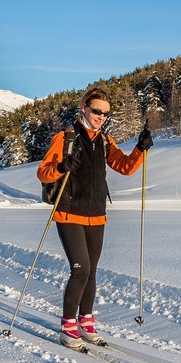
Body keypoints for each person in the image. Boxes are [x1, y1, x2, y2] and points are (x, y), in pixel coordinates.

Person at [36, 87, 153, 349]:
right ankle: (68, 326)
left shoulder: (104, 141)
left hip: (96, 215)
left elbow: (124, 167)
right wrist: (61, 167)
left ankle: (86, 322)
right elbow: (43, 173)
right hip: (68, 212)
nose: (101, 117)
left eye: (105, 114)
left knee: (92, 273)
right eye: (96, 111)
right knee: (80, 270)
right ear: (84, 109)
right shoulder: (65, 137)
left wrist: (140, 149)